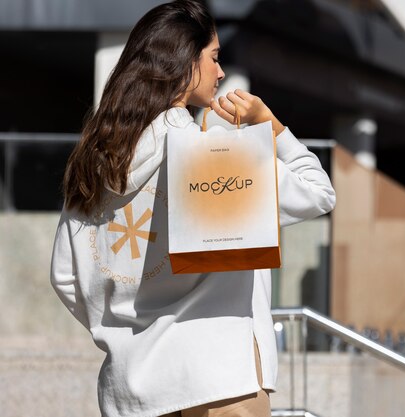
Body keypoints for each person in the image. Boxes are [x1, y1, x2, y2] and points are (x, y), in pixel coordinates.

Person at [50, 1, 336, 416]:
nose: (220, 73)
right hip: (218, 377)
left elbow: (64, 277)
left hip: (131, 390)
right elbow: (319, 192)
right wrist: (270, 127)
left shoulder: (93, 165)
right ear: (184, 61)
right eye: (214, 58)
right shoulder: (211, 153)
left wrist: (125, 330)